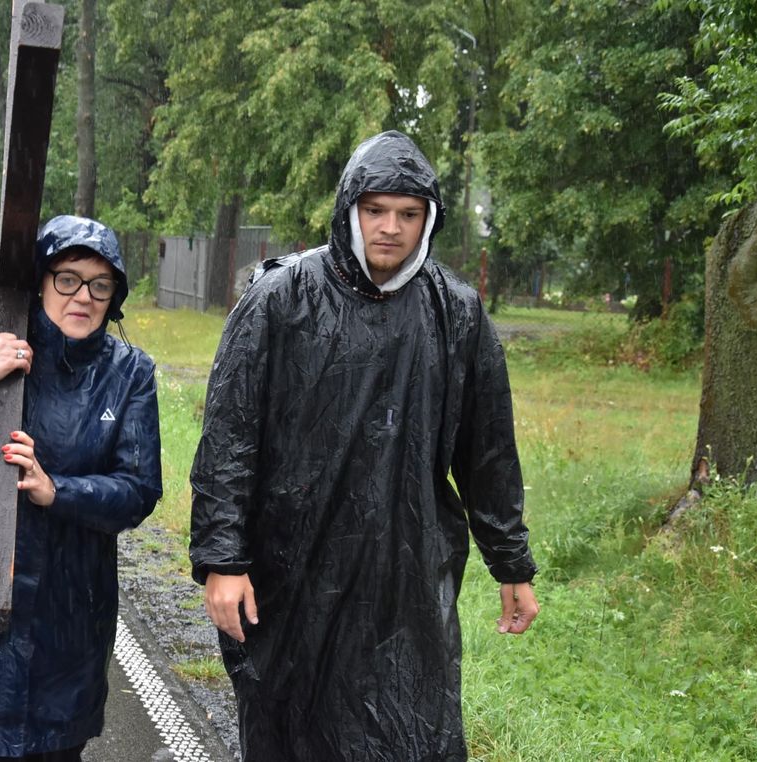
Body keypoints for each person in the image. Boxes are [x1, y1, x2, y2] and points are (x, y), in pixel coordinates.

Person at [189, 130, 540, 761]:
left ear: (429, 218)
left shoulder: (455, 313)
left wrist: (510, 563)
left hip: (405, 580)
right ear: (349, 208)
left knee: (410, 734)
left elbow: (487, 452)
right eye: (375, 210)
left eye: (409, 214)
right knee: (291, 731)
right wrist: (223, 558)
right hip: (292, 572)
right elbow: (229, 439)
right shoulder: (282, 299)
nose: (390, 228)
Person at [0, 215, 162, 761]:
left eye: (99, 284)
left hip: (67, 634)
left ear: (114, 294)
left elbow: (139, 490)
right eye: (67, 278)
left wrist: (57, 489)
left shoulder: (129, 372)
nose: (83, 296)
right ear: (42, 280)